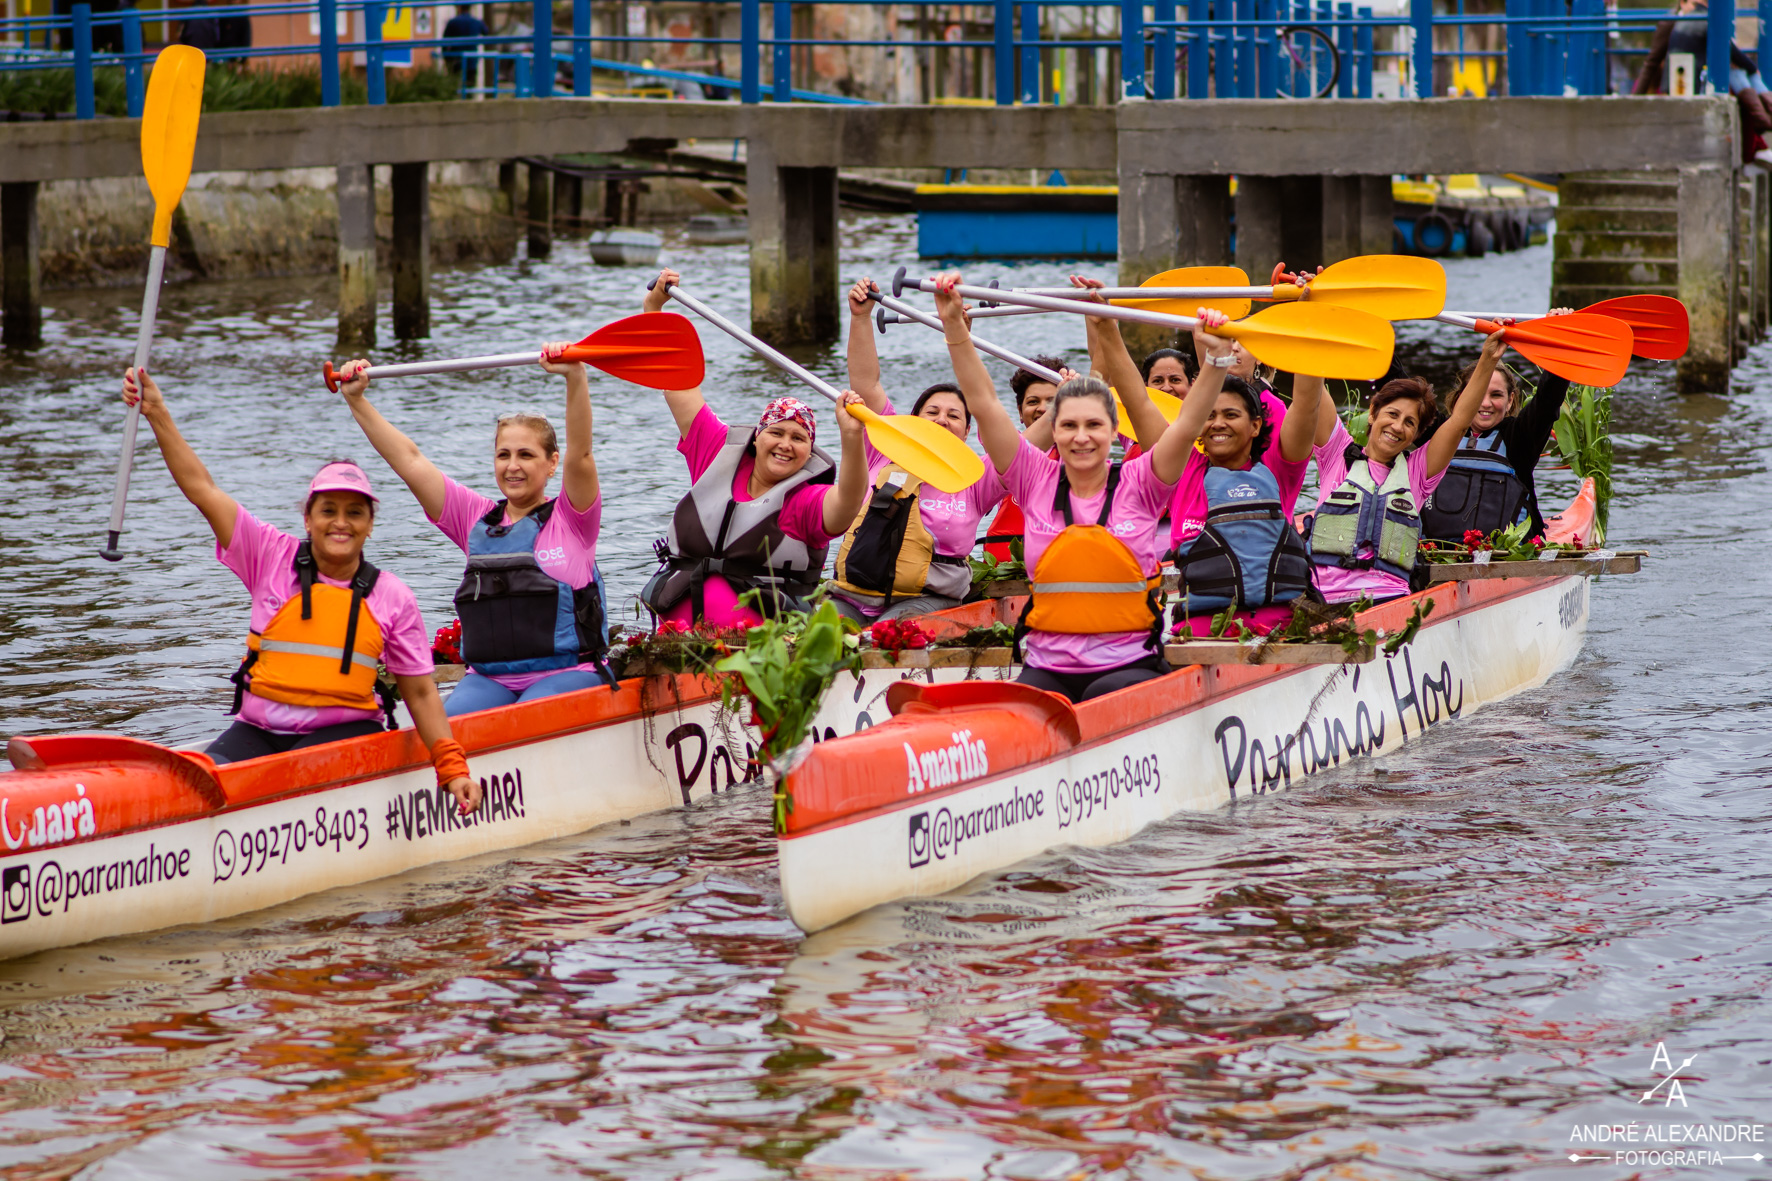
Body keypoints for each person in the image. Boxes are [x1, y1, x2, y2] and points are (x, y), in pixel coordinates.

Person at [119, 368, 479, 813]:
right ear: (308, 518)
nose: (340, 522)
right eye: (328, 510)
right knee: (200, 789)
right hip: (259, 730)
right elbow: (202, 489)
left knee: (292, 777)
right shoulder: (267, 555)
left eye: (354, 512)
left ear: (369, 524)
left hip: (344, 732)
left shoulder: (392, 596)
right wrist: (157, 413)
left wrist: (451, 766)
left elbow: (421, 693)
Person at [936, 272, 1234, 703]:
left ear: (1114, 431)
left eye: (1094, 425)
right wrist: (954, 328)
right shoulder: (1033, 476)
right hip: (1046, 668)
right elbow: (982, 402)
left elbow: (1187, 425)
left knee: (1106, 693)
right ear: (1052, 431)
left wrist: (1216, 361)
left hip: (1127, 666)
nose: (1081, 436)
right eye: (1069, 425)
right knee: (1028, 702)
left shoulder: (1142, 482)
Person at [333, 346, 613, 717]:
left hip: (567, 672)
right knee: (445, 726)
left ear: (551, 464)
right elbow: (410, 461)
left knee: (524, 720)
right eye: (504, 455)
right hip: (489, 678)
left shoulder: (573, 517)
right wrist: (357, 401)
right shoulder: (475, 519)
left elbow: (582, 455)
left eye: (526, 455)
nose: (513, 466)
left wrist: (574, 377)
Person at [638, 268, 871, 628]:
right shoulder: (716, 451)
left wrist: (852, 437)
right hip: (681, 637)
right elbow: (675, 381)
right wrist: (654, 310)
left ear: (810, 452)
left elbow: (848, 503)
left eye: (799, 439)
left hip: (763, 649)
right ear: (756, 437)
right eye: (777, 433)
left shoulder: (804, 501)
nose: (785, 444)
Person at [1090, 308, 1324, 636]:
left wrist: (1308, 319)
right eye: (1209, 415)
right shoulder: (1182, 469)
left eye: (1231, 414)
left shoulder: (1280, 469)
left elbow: (1307, 403)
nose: (1218, 424)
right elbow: (1138, 402)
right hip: (1201, 633)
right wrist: (1108, 328)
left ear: (1256, 425)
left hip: (1278, 631)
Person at [828, 277, 1006, 622]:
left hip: (927, 600)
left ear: (968, 432)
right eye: (932, 413)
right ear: (914, 421)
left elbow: (1019, 442)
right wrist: (861, 317)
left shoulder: (978, 478)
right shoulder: (885, 447)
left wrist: (1067, 399)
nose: (942, 421)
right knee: (821, 633)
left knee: (888, 632)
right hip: (854, 595)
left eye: (954, 416)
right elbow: (866, 384)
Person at [1308, 333, 1508, 604]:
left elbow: (1459, 420)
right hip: (1325, 598)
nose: (1398, 427)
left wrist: (1488, 358)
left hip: (1389, 601)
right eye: (1392, 414)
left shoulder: (1417, 475)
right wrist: (1308, 319)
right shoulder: (1336, 455)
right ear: (1373, 413)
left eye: (1410, 423)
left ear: (1415, 436)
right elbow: (1311, 392)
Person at [1420, 310, 1573, 543]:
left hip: (1503, 558)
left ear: (1511, 400)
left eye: (1497, 395)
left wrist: (1562, 334)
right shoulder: (1438, 431)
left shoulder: (1519, 438)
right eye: (1479, 393)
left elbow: (1547, 399)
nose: (1485, 403)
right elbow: (1396, 388)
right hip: (1437, 552)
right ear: (1463, 396)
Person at [441, 3, 488, 73]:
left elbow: (444, 42)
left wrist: (447, 58)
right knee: (470, 82)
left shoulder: (453, 22)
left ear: (459, 7)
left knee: (456, 82)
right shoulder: (476, 22)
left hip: (456, 60)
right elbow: (486, 32)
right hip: (472, 60)